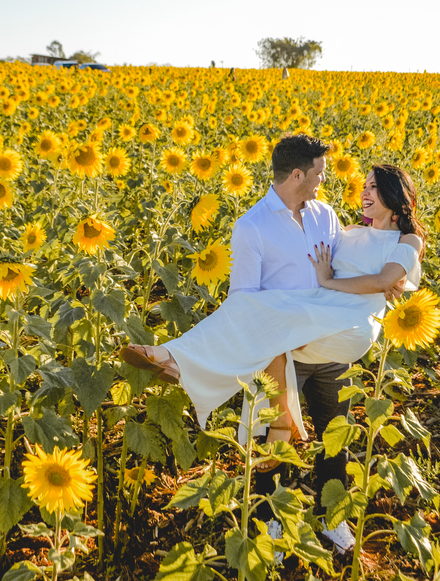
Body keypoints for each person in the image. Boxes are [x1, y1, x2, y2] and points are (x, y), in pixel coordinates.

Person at [122, 136, 423, 553]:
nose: (326, 181)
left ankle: (331, 519)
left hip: (328, 338)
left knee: (334, 438)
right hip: (281, 351)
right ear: (297, 174)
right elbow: (243, 298)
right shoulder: (252, 226)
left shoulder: (327, 216)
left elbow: (363, 267)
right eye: (319, 173)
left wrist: (391, 283)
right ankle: (270, 523)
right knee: (272, 438)